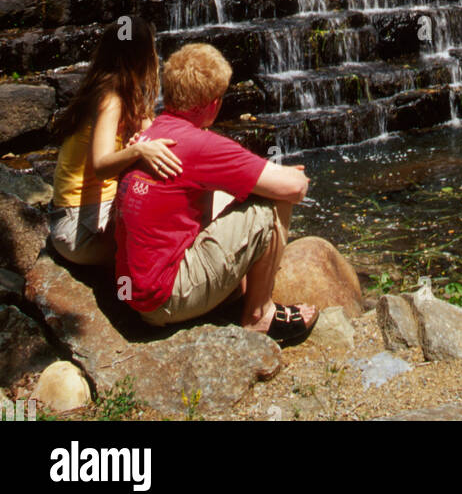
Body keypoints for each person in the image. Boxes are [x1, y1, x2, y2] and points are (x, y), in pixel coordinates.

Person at [114, 40, 316, 344]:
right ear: (212, 103)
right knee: (271, 202)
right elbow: (295, 188)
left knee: (231, 191)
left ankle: (234, 293)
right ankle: (259, 315)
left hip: (133, 291)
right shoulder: (201, 145)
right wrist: (284, 176)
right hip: (165, 299)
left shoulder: (152, 133)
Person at [49, 17, 182, 265]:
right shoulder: (110, 99)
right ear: (141, 56)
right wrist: (139, 151)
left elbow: (155, 133)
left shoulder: (120, 90)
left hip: (83, 219)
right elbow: (100, 166)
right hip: (79, 230)